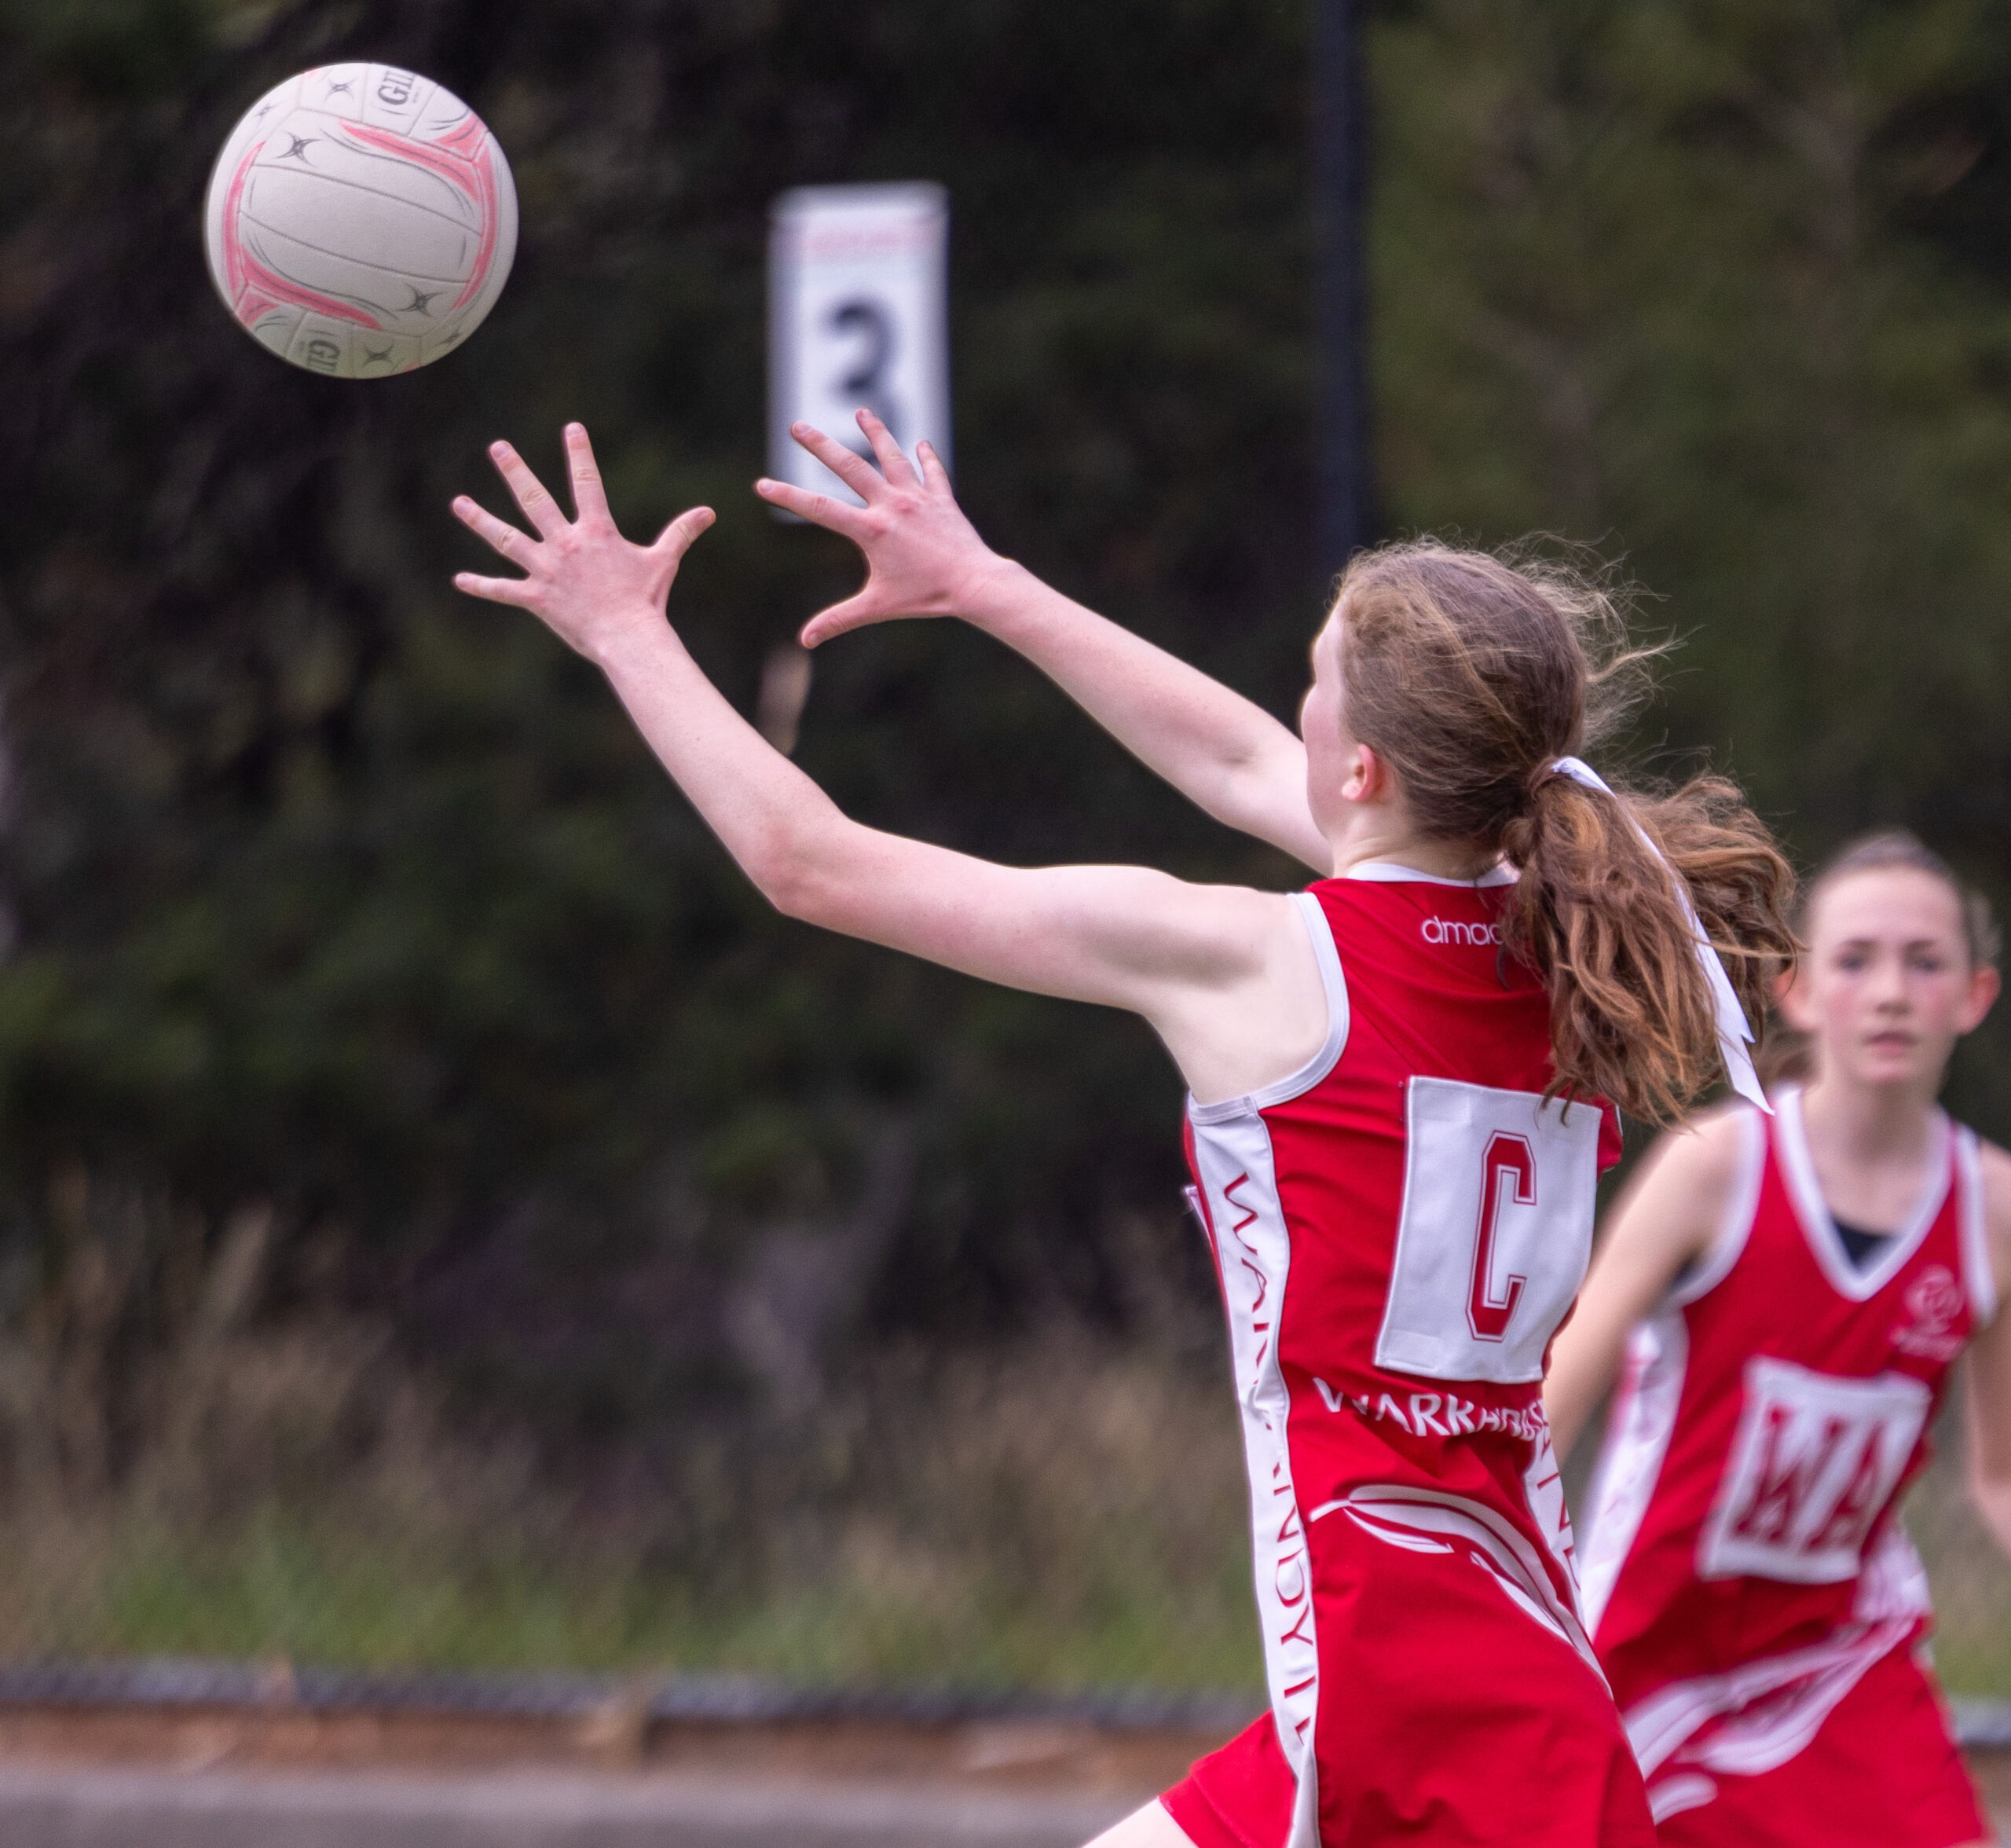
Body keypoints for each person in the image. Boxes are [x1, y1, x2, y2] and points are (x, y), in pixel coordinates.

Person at [450, 410, 1796, 1848]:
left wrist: (623, 633)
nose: (1291, 712)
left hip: (1385, 1668)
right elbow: (1235, 766)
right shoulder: (1578, 940)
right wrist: (980, 581)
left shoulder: (1255, 962)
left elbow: (808, 862)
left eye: (1313, 686)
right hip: (1506, 1644)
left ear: (1362, 771)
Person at [1549, 831, 2011, 1845]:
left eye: (1923, 962)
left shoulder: (1991, 1208)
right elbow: (1547, 1405)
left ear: (1973, 997)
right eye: (1856, 960)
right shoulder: (1716, 1165)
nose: (1891, 991)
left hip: (1839, 1647)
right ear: (1799, 992)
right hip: (1647, 1643)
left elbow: (2000, 1477)